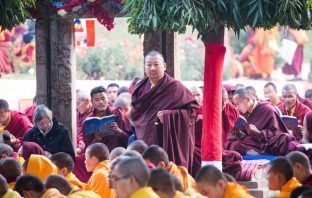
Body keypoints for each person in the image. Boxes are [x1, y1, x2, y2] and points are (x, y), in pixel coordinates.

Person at [131, 51, 199, 171]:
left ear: (165, 66)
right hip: (145, 137)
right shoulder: (140, 88)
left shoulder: (175, 87)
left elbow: (192, 110)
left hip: (166, 139)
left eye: (156, 64)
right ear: (144, 67)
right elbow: (136, 112)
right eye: (149, 65)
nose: (152, 68)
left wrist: (169, 116)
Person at [226, 88, 295, 156]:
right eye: (235, 105)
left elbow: (277, 133)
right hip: (252, 141)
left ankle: (258, 153)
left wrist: (259, 133)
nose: (237, 107)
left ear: (247, 99)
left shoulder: (267, 109)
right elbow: (245, 134)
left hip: (266, 141)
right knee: (231, 144)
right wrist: (239, 134)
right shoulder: (242, 112)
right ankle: (254, 152)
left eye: (238, 104)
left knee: (283, 139)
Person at [82, 86, 131, 151]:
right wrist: (97, 139)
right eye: (97, 100)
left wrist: (118, 131)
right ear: (92, 102)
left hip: (117, 154)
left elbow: (130, 139)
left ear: (107, 99)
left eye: (103, 98)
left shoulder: (117, 113)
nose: (101, 102)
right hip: (99, 156)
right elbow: (88, 149)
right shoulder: (88, 121)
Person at [189, 86, 203, 176]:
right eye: (193, 95)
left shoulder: (208, 108)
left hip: (205, 143)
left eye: (198, 95)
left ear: (202, 96)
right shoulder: (185, 109)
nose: (196, 98)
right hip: (192, 142)